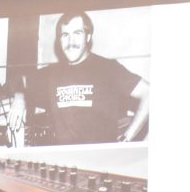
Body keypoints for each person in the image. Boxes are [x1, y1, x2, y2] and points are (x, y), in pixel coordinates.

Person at [8, 11, 150, 145]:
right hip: (65, 157)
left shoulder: (107, 68)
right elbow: (21, 80)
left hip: (101, 157)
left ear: (87, 37)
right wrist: (19, 98)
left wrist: (127, 138)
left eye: (77, 33)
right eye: (65, 35)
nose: (71, 42)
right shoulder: (52, 72)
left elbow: (149, 93)